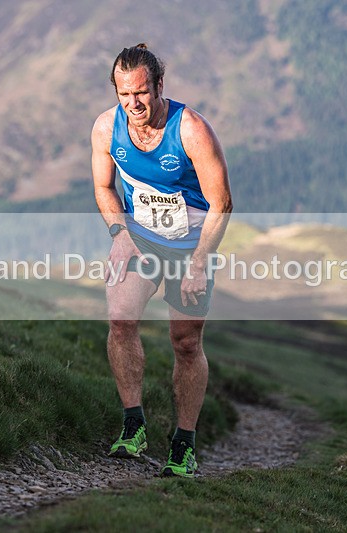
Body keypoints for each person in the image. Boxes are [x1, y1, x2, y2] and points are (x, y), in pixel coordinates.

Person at [90, 44, 232, 478]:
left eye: (141, 93)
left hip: (191, 246)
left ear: (159, 86)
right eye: (124, 94)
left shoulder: (191, 130)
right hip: (140, 240)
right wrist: (119, 234)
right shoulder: (106, 128)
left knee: (185, 342)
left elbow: (222, 203)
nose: (133, 104)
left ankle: (184, 445)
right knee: (120, 320)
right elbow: (104, 187)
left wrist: (200, 262)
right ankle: (133, 426)